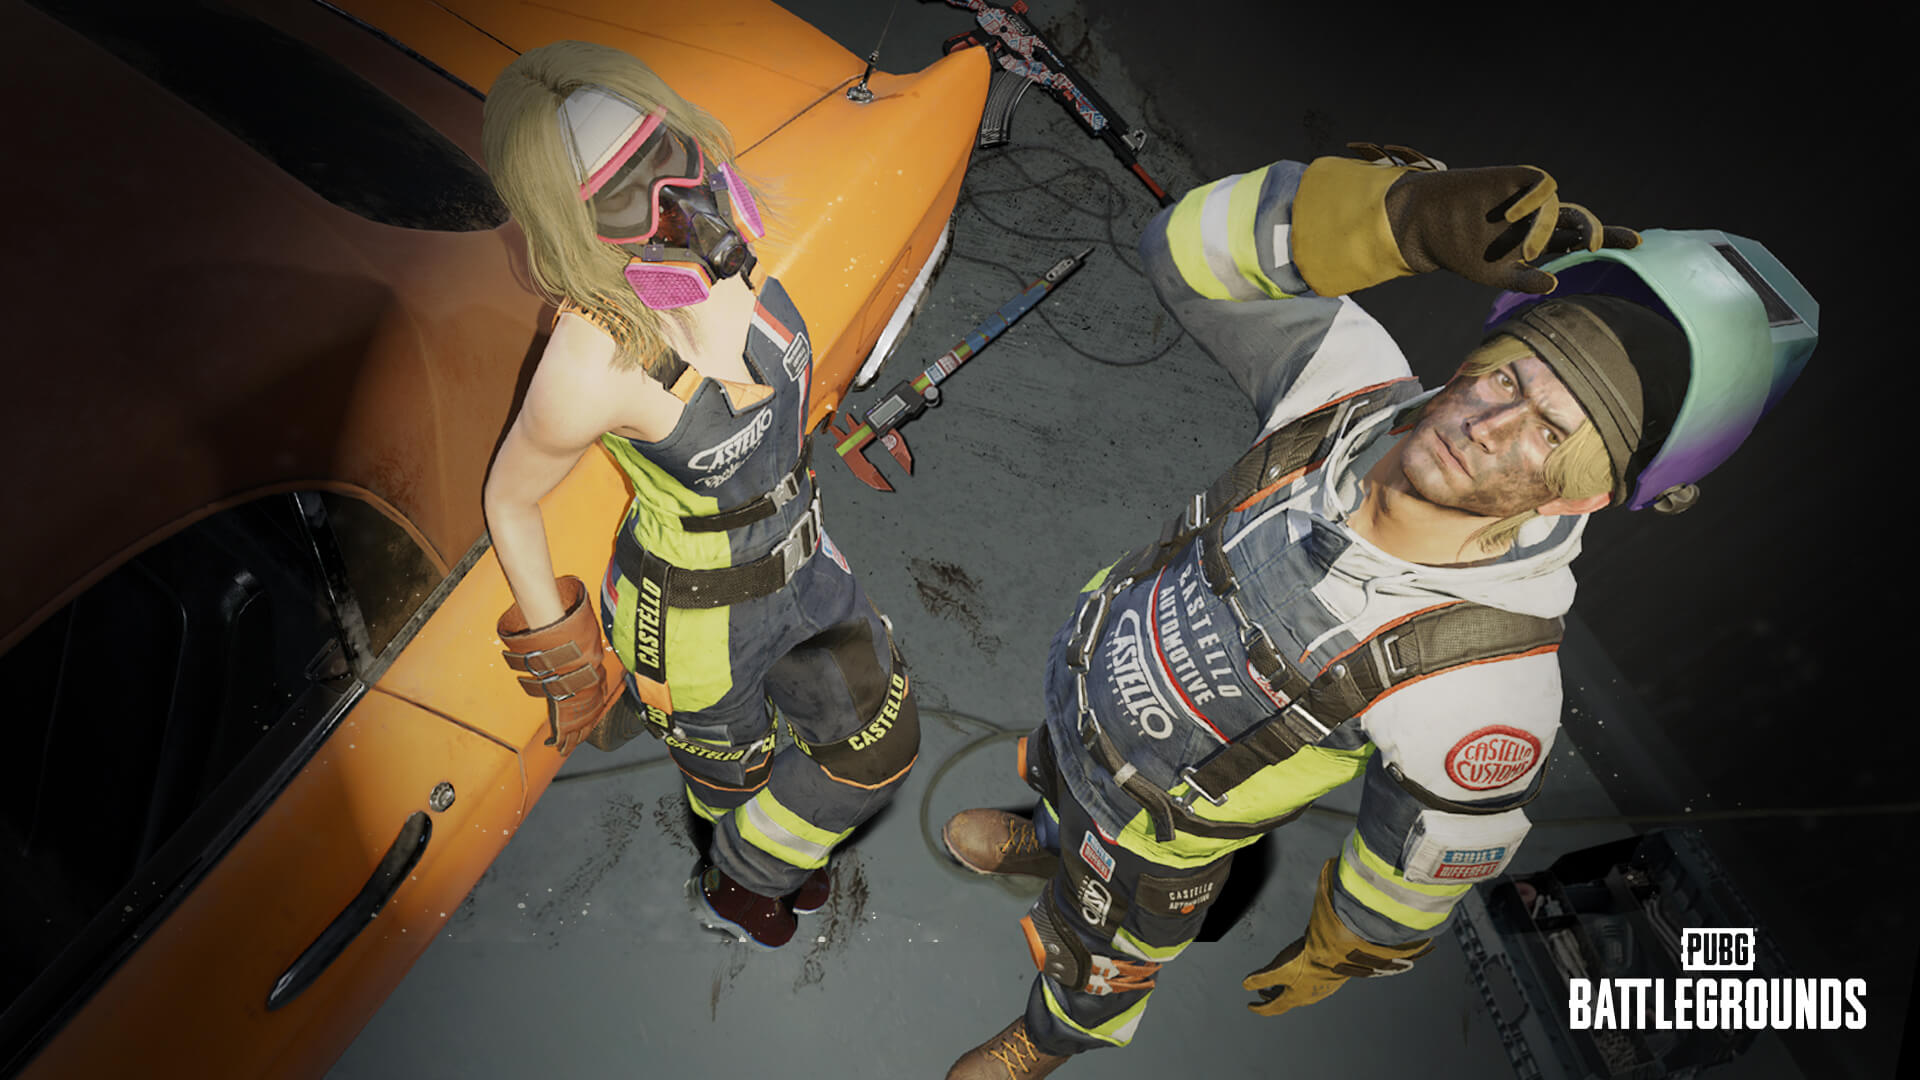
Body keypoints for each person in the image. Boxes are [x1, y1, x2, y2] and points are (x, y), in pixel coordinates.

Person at [940, 142, 1817, 1077]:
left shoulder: (1486, 686)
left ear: (1586, 494)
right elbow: (1183, 248)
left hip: (1158, 838)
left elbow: (1411, 871)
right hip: (1084, 691)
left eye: (1550, 432)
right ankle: (1045, 837)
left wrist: (1342, 947)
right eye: (1509, 378)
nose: (1487, 427)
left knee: (1102, 961)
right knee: (1059, 779)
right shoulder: (1341, 391)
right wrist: (1395, 216)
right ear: (1478, 355)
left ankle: (1048, 1039)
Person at [479, 41, 920, 950]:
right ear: (576, 224)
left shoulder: (734, 251)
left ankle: (755, 864)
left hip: (804, 562)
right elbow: (509, 500)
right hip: (692, 625)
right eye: (620, 194)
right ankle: (745, 880)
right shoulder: (587, 365)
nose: (674, 204)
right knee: (735, 785)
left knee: (880, 744)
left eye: (661, 154)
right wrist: (569, 665)